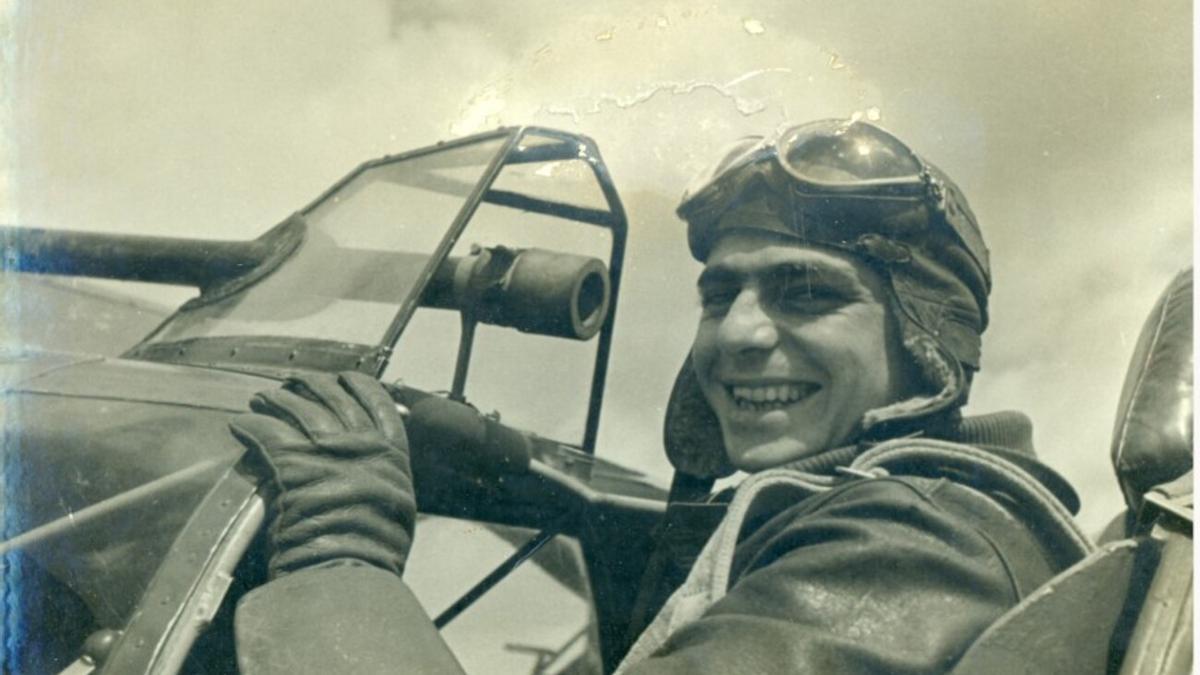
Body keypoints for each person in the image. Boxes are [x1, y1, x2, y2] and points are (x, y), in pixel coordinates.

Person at [227, 119, 1091, 674]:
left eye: (808, 293)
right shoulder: (877, 525)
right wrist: (503, 464)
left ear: (922, 342)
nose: (738, 334)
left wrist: (340, 557)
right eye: (721, 296)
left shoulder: (923, 545)